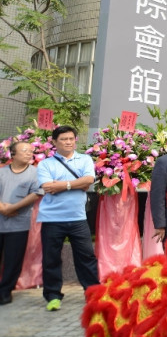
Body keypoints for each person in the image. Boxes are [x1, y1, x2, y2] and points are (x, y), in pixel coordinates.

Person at [36, 125, 99, 311]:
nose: (69, 142)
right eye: (64, 139)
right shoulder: (45, 164)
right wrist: (75, 184)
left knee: (86, 257)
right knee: (51, 259)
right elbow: (48, 187)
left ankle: (93, 292)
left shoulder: (85, 159)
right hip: (51, 219)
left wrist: (63, 185)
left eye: (71, 138)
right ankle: (53, 296)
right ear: (54, 142)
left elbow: (88, 180)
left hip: (78, 218)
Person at [0, 142, 41, 305]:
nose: (29, 153)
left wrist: (13, 208)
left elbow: (36, 193)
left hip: (19, 224)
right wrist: (3, 209)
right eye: (24, 151)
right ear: (13, 154)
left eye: (31, 151)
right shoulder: (2, 172)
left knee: (13, 260)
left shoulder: (35, 173)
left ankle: (5, 291)